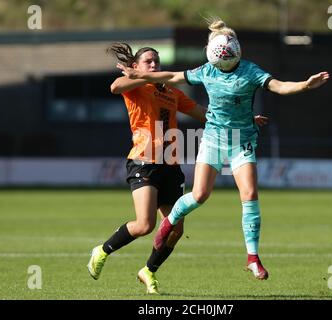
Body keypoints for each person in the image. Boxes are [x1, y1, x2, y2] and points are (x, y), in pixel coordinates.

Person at [117, 18, 330, 281]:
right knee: (200, 195)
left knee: (250, 193)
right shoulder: (208, 70)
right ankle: (170, 221)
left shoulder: (251, 71)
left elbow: (279, 86)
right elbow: (172, 76)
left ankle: (252, 258)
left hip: (242, 140)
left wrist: (305, 85)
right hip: (213, 139)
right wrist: (141, 75)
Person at [87, 42, 269, 294]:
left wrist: (245, 118)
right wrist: (136, 76)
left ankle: (149, 270)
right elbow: (115, 86)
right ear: (136, 66)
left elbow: (205, 113)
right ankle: (102, 250)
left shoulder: (171, 91)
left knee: (176, 229)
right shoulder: (136, 87)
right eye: (148, 62)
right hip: (144, 160)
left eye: (156, 62)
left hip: (170, 164)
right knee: (145, 224)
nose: (154, 65)